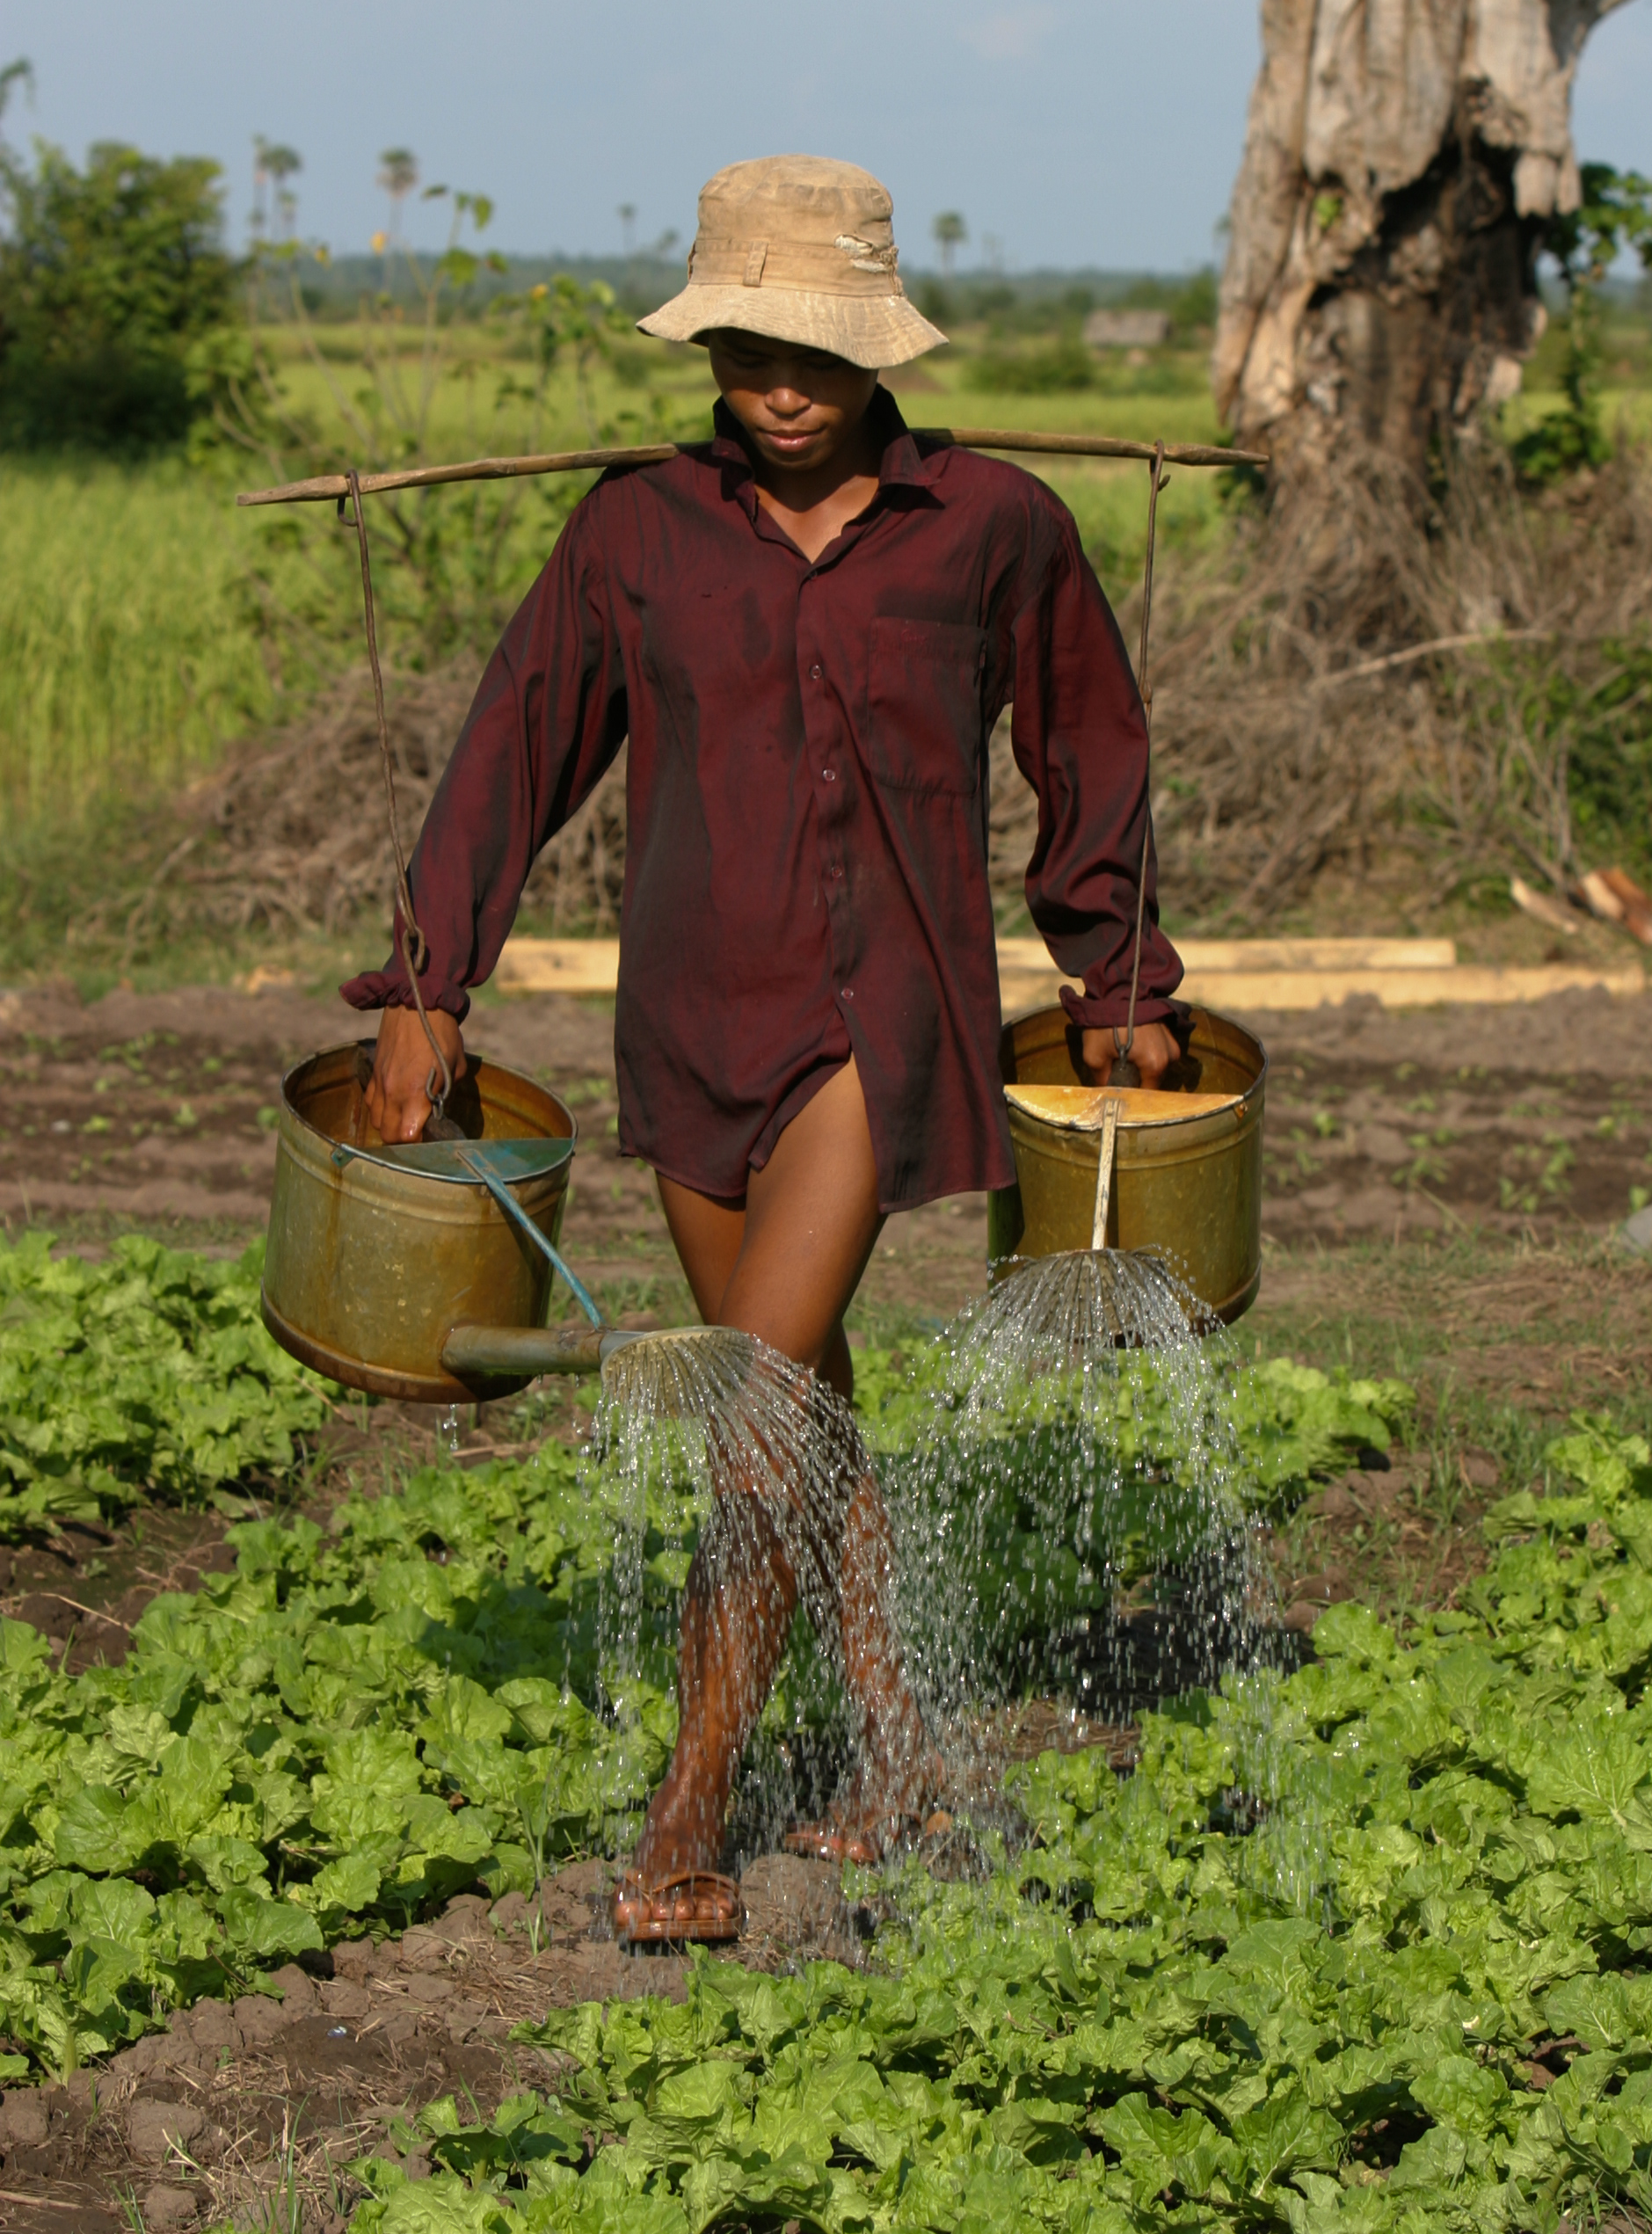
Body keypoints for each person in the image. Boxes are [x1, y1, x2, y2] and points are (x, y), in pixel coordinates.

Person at [346, 154, 1186, 1944]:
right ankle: (901, 1748)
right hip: (691, 1020)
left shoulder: (990, 525)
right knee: (797, 1399)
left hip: (884, 1023)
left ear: (875, 349)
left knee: (748, 1413)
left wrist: (1117, 983)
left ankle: (690, 1803)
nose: (777, 388)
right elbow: (518, 744)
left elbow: (1089, 748)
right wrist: (431, 981)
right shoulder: (636, 530)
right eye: (742, 351)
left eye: (808, 351)